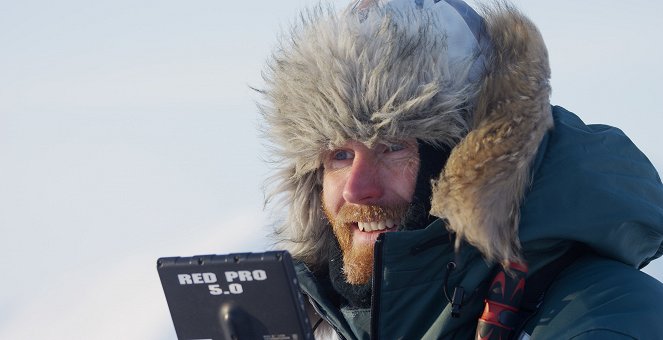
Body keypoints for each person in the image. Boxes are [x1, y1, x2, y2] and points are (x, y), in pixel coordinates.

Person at [258, 0, 663, 338]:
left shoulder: (606, 322)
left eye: (394, 147)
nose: (356, 189)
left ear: (480, 165)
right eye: (339, 156)